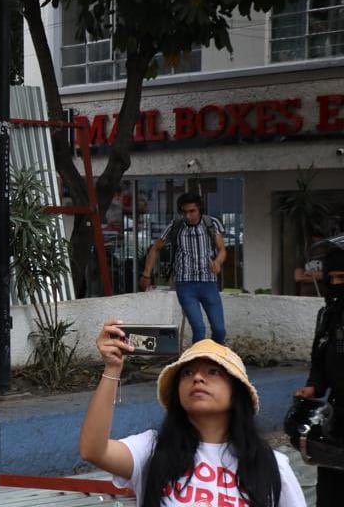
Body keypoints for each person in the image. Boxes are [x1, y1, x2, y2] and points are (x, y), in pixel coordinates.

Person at [82, 321, 305, 507]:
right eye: (187, 373)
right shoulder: (151, 449)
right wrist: (112, 369)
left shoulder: (273, 465)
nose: (197, 378)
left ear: (236, 392)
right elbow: (93, 450)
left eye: (213, 371)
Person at [294, 233, 344, 506]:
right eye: (332, 278)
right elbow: (319, 359)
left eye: (342, 278)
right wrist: (314, 386)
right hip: (337, 417)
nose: (336, 285)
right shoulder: (327, 315)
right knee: (331, 491)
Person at [140, 192, 228, 344]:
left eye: (192, 211)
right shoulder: (175, 226)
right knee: (199, 329)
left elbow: (222, 250)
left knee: (220, 330)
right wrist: (146, 274)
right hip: (185, 284)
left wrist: (218, 262)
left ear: (199, 209)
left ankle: (215, 359)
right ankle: (196, 364)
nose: (188, 215)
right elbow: (154, 249)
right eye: (184, 212)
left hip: (208, 283)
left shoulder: (211, 223)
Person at [293, 230, 327, 297]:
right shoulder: (305, 258)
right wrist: (320, 276)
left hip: (325, 294)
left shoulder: (330, 258)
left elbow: (331, 277)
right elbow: (298, 277)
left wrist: (309, 274)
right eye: (314, 243)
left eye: (319, 243)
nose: (317, 245)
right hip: (306, 295)